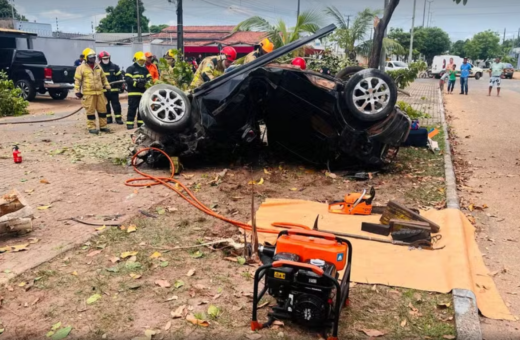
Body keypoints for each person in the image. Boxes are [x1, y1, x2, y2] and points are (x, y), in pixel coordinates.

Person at [74, 48, 111, 134]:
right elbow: (77, 80)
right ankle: (92, 127)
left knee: (102, 111)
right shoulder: (81, 68)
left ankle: (103, 126)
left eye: (94, 57)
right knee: (90, 112)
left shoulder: (98, 66)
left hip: (99, 93)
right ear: (86, 58)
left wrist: (108, 87)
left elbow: (103, 78)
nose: (92, 59)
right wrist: (77, 91)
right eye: (90, 57)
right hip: (88, 94)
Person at [125, 51, 152, 130]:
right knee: (132, 109)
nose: (142, 62)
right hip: (133, 93)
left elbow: (149, 79)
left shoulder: (145, 69)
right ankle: (130, 124)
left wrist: (145, 83)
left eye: (143, 61)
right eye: (140, 60)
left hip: (142, 93)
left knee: (141, 109)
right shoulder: (131, 68)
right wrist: (136, 84)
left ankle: (140, 124)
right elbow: (127, 79)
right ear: (136, 60)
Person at [98, 51, 123, 124]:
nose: (106, 59)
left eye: (107, 58)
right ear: (101, 59)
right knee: (106, 105)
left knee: (116, 105)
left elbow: (119, 77)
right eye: (104, 58)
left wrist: (120, 86)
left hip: (113, 90)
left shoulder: (115, 67)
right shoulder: (98, 67)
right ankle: (108, 118)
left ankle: (118, 118)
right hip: (103, 90)